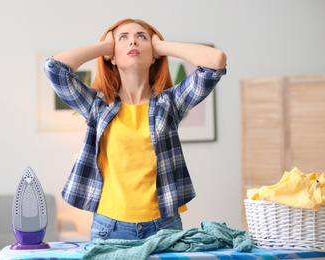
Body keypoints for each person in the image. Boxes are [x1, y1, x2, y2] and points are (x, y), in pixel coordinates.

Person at [44, 18, 227, 241]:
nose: (133, 42)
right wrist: (105, 48)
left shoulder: (169, 103)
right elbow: (54, 68)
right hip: (109, 228)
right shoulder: (97, 106)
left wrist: (161, 46)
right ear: (112, 55)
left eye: (141, 37)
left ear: (153, 55)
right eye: (123, 38)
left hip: (164, 226)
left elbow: (215, 62)